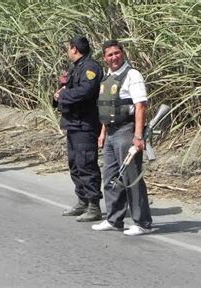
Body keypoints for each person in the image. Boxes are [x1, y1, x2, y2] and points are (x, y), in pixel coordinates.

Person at [92, 40, 153, 236]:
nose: (114, 57)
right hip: (110, 133)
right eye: (110, 55)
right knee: (110, 177)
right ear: (104, 58)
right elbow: (106, 107)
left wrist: (137, 136)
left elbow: (140, 106)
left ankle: (142, 222)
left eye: (117, 53)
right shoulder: (108, 77)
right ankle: (114, 219)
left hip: (127, 131)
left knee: (131, 177)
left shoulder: (132, 75)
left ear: (123, 53)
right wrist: (102, 133)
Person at [53, 35, 104, 222]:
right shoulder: (76, 68)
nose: (68, 51)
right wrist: (58, 93)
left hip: (85, 124)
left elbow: (86, 91)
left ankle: (94, 206)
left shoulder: (91, 67)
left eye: (69, 48)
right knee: (75, 164)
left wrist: (64, 95)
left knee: (86, 164)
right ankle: (82, 201)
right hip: (73, 124)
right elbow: (67, 89)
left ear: (74, 48)